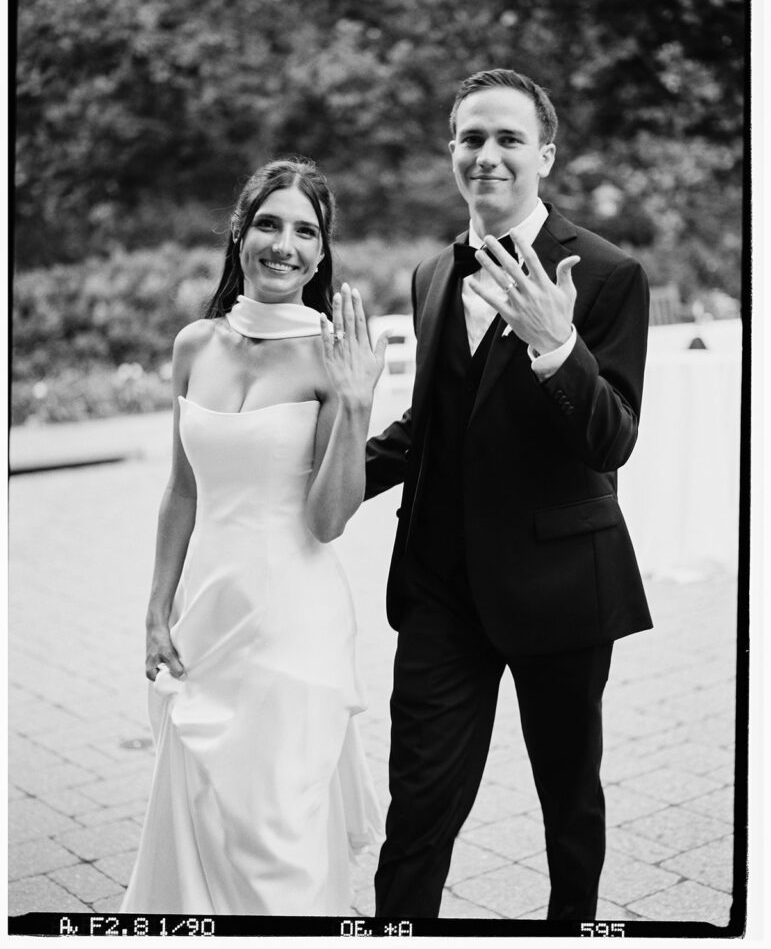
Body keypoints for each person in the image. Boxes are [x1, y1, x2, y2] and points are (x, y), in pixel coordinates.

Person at [365, 69, 653, 921]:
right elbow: (434, 421)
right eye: (470, 138)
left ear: (545, 156)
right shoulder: (428, 276)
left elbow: (613, 440)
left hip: (559, 584)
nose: (486, 155)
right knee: (415, 807)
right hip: (440, 588)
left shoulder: (606, 274)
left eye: (507, 139)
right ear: (452, 152)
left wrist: (556, 346)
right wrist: (329, 473)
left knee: (568, 803)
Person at [121, 157, 387, 915]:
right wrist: (154, 610)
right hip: (205, 624)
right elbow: (180, 488)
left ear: (322, 251)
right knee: (200, 826)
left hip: (291, 632)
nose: (285, 244)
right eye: (269, 223)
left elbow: (328, 520)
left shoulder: (332, 356)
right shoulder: (194, 345)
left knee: (280, 843)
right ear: (240, 231)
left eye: (306, 231)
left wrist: (358, 407)